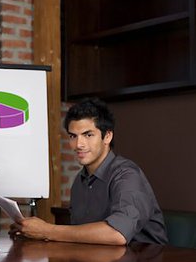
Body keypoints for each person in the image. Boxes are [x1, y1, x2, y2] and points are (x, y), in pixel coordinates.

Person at [10, 98, 168, 245]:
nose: (79, 144)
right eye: (73, 136)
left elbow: (117, 234)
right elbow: (80, 235)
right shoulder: (80, 181)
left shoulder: (127, 175)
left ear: (107, 136)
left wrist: (47, 231)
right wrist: (33, 233)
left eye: (88, 135)